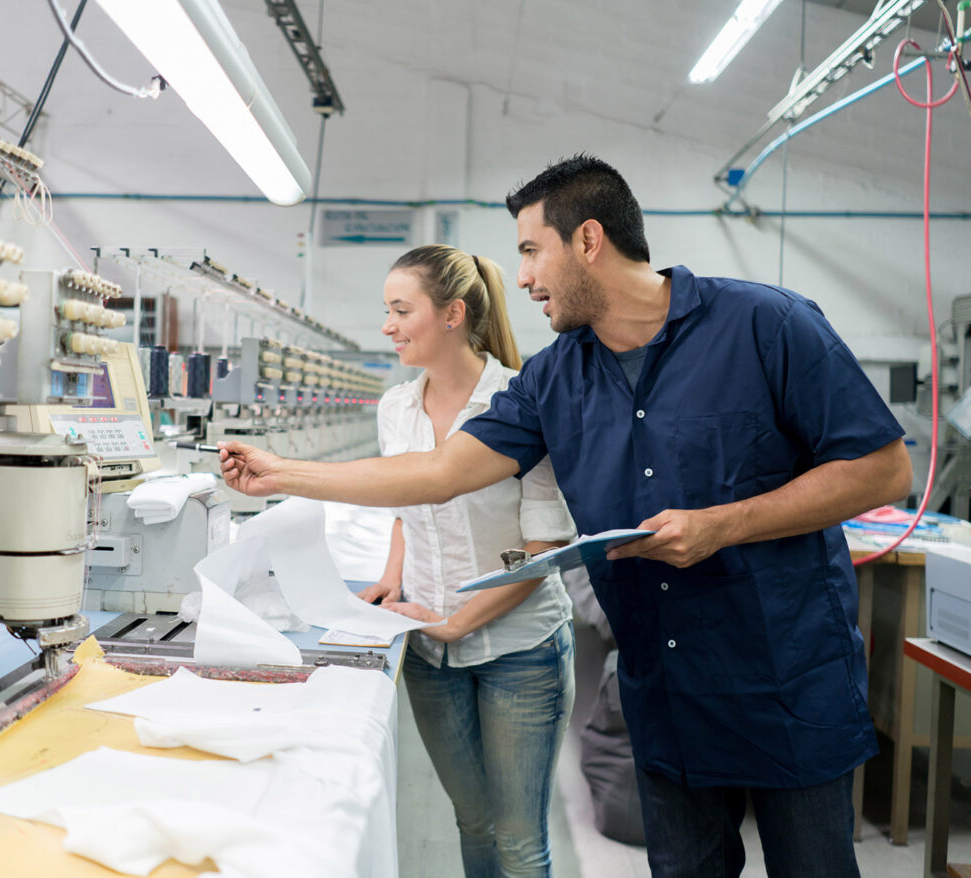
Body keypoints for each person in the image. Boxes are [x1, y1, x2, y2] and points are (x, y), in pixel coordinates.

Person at [220, 155, 913, 878]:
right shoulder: (556, 378)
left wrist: (724, 524)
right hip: (666, 690)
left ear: (588, 241)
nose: (520, 278)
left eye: (530, 250)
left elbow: (882, 468)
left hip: (785, 679)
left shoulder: (767, 324)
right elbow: (439, 471)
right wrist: (282, 471)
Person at [359, 244, 577, 877]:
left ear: (452, 314)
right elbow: (404, 507)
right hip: (430, 651)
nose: (387, 325)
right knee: (472, 822)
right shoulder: (395, 408)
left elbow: (544, 550)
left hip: (521, 650)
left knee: (517, 840)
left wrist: (459, 621)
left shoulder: (519, 402)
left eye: (402, 310)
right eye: (386, 310)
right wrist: (391, 581)